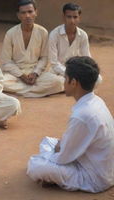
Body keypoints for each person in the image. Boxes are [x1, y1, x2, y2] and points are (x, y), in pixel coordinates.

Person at [27, 56, 114, 193]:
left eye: (65, 78)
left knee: (35, 165)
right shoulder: (96, 101)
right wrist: (61, 146)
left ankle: (55, 178)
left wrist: (57, 151)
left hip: (94, 178)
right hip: (100, 166)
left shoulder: (82, 115)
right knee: (48, 141)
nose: (63, 82)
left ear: (73, 82)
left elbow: (63, 158)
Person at [1, 0, 64, 97]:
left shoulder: (42, 32)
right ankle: (35, 91)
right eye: (23, 13)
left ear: (36, 12)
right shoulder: (10, 33)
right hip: (16, 73)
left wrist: (35, 73)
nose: (27, 16)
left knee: (58, 82)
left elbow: (44, 57)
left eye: (30, 12)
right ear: (18, 15)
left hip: (35, 72)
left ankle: (22, 91)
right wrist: (22, 76)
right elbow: (6, 62)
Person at [48, 3, 91, 76]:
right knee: (57, 82)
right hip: (57, 72)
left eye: (75, 17)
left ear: (79, 18)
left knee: (97, 79)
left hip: (76, 70)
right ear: (63, 17)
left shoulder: (83, 35)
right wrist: (70, 74)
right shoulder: (54, 34)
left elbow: (86, 58)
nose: (72, 20)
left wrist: (90, 70)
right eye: (69, 17)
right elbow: (54, 63)